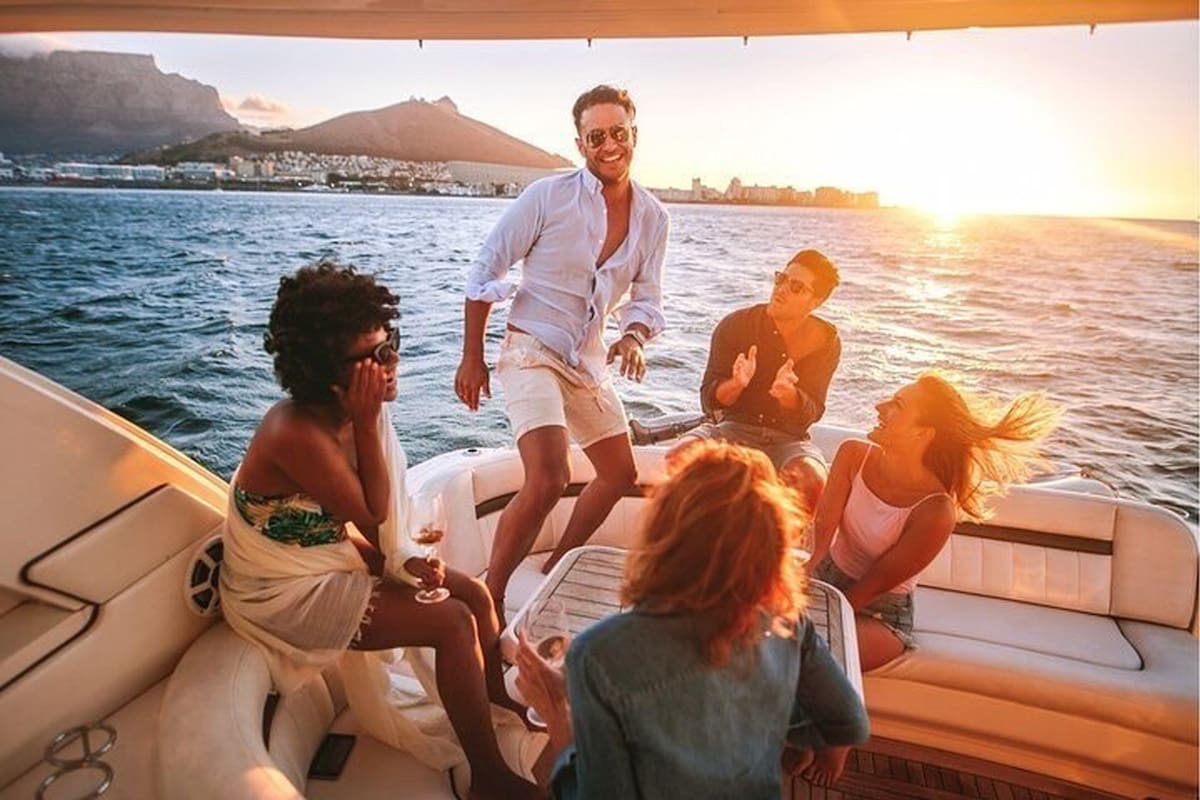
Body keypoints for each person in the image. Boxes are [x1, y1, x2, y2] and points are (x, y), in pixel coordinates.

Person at [219, 262, 537, 800]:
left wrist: (400, 560)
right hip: (281, 593)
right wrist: (369, 422)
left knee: (475, 593)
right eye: (375, 357)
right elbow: (370, 511)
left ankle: (494, 700)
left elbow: (332, 527)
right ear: (328, 374)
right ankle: (488, 776)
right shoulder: (295, 432)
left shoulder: (349, 418)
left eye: (391, 345)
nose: (392, 364)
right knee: (453, 623)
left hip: (321, 556)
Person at [514, 441, 870, 798]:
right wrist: (764, 720)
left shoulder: (597, 656)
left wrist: (558, 715)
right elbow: (849, 725)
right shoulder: (789, 623)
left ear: (664, 531)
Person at [455, 84, 669, 616]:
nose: (609, 144)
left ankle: (561, 563)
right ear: (580, 144)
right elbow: (486, 269)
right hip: (531, 347)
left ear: (634, 136)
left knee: (619, 473)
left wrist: (634, 337)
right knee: (548, 476)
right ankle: (492, 595)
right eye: (596, 136)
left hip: (588, 360)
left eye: (618, 133)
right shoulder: (546, 197)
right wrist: (472, 357)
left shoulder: (654, 218)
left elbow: (647, 297)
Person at [809, 373, 1060, 672]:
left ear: (923, 433)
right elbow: (822, 532)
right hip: (826, 580)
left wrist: (812, 613)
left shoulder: (936, 512)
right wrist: (804, 577)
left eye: (897, 405)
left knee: (809, 654)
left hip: (876, 612)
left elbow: (873, 585)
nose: (879, 406)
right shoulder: (852, 455)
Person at [671, 249, 841, 513]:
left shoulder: (826, 342)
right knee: (680, 456)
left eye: (796, 287)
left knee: (810, 479)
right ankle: (684, 547)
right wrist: (736, 385)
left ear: (815, 301)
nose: (782, 289)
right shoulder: (737, 325)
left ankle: (779, 552)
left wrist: (789, 395)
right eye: (781, 279)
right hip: (732, 428)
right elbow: (709, 400)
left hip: (789, 439)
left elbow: (813, 411)